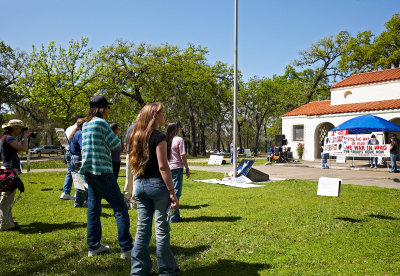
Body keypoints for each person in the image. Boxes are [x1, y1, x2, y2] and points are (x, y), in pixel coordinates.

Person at [129, 102, 180, 275]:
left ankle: (138, 270)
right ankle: (166, 270)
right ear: (155, 116)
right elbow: (163, 166)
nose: (165, 115)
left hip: (140, 186)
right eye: (162, 113)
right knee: (161, 230)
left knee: (142, 229)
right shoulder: (159, 137)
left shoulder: (136, 135)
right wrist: (172, 192)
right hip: (158, 187)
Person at [79, 95, 133, 259]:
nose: (109, 110)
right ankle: (126, 249)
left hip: (89, 172)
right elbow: (116, 144)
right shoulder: (101, 123)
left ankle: (93, 246)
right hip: (103, 171)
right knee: (120, 208)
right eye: (108, 107)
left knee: (93, 209)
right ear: (102, 109)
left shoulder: (86, 125)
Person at [0, 119, 31, 231]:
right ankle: (5, 224)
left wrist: (24, 137)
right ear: (14, 129)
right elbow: (23, 148)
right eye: (20, 128)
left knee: (8, 198)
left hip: (9, 169)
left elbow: (20, 149)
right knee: (6, 199)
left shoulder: (7, 138)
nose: (21, 130)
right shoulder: (9, 138)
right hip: (9, 170)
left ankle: (8, 221)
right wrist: (26, 137)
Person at [166, 122, 190, 223]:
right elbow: (182, 156)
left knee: (169, 192)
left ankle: (174, 215)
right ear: (176, 129)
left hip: (167, 168)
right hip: (177, 168)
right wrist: (187, 168)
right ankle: (173, 217)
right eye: (179, 128)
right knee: (176, 193)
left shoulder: (166, 140)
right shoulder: (179, 140)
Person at [60, 114, 84, 200]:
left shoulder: (69, 128)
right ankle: (77, 194)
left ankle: (66, 192)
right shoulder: (80, 131)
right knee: (78, 174)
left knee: (70, 173)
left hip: (68, 152)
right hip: (76, 153)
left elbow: (65, 141)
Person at [69, 118, 88, 208]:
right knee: (81, 182)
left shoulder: (74, 133)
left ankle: (79, 201)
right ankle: (79, 202)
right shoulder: (81, 134)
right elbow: (82, 149)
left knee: (78, 181)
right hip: (78, 158)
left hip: (73, 158)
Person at [123, 123, 136, 209]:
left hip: (129, 154)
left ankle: (126, 198)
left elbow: (125, 143)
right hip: (136, 154)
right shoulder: (140, 128)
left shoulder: (130, 128)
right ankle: (134, 201)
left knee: (128, 177)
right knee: (135, 178)